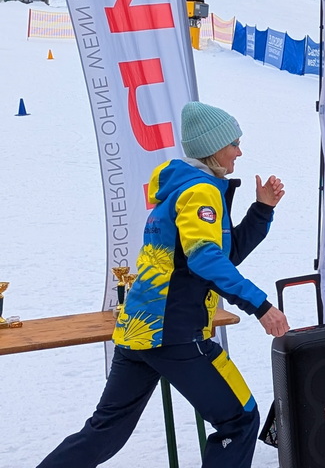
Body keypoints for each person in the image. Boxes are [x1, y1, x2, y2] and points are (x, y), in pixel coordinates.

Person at [37, 101, 290, 468]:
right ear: (213, 148)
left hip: (139, 331)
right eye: (234, 143)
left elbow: (222, 254)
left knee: (104, 432)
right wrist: (261, 306)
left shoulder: (182, 189)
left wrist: (262, 210)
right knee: (240, 418)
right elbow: (206, 260)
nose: (239, 152)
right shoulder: (201, 192)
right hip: (174, 334)